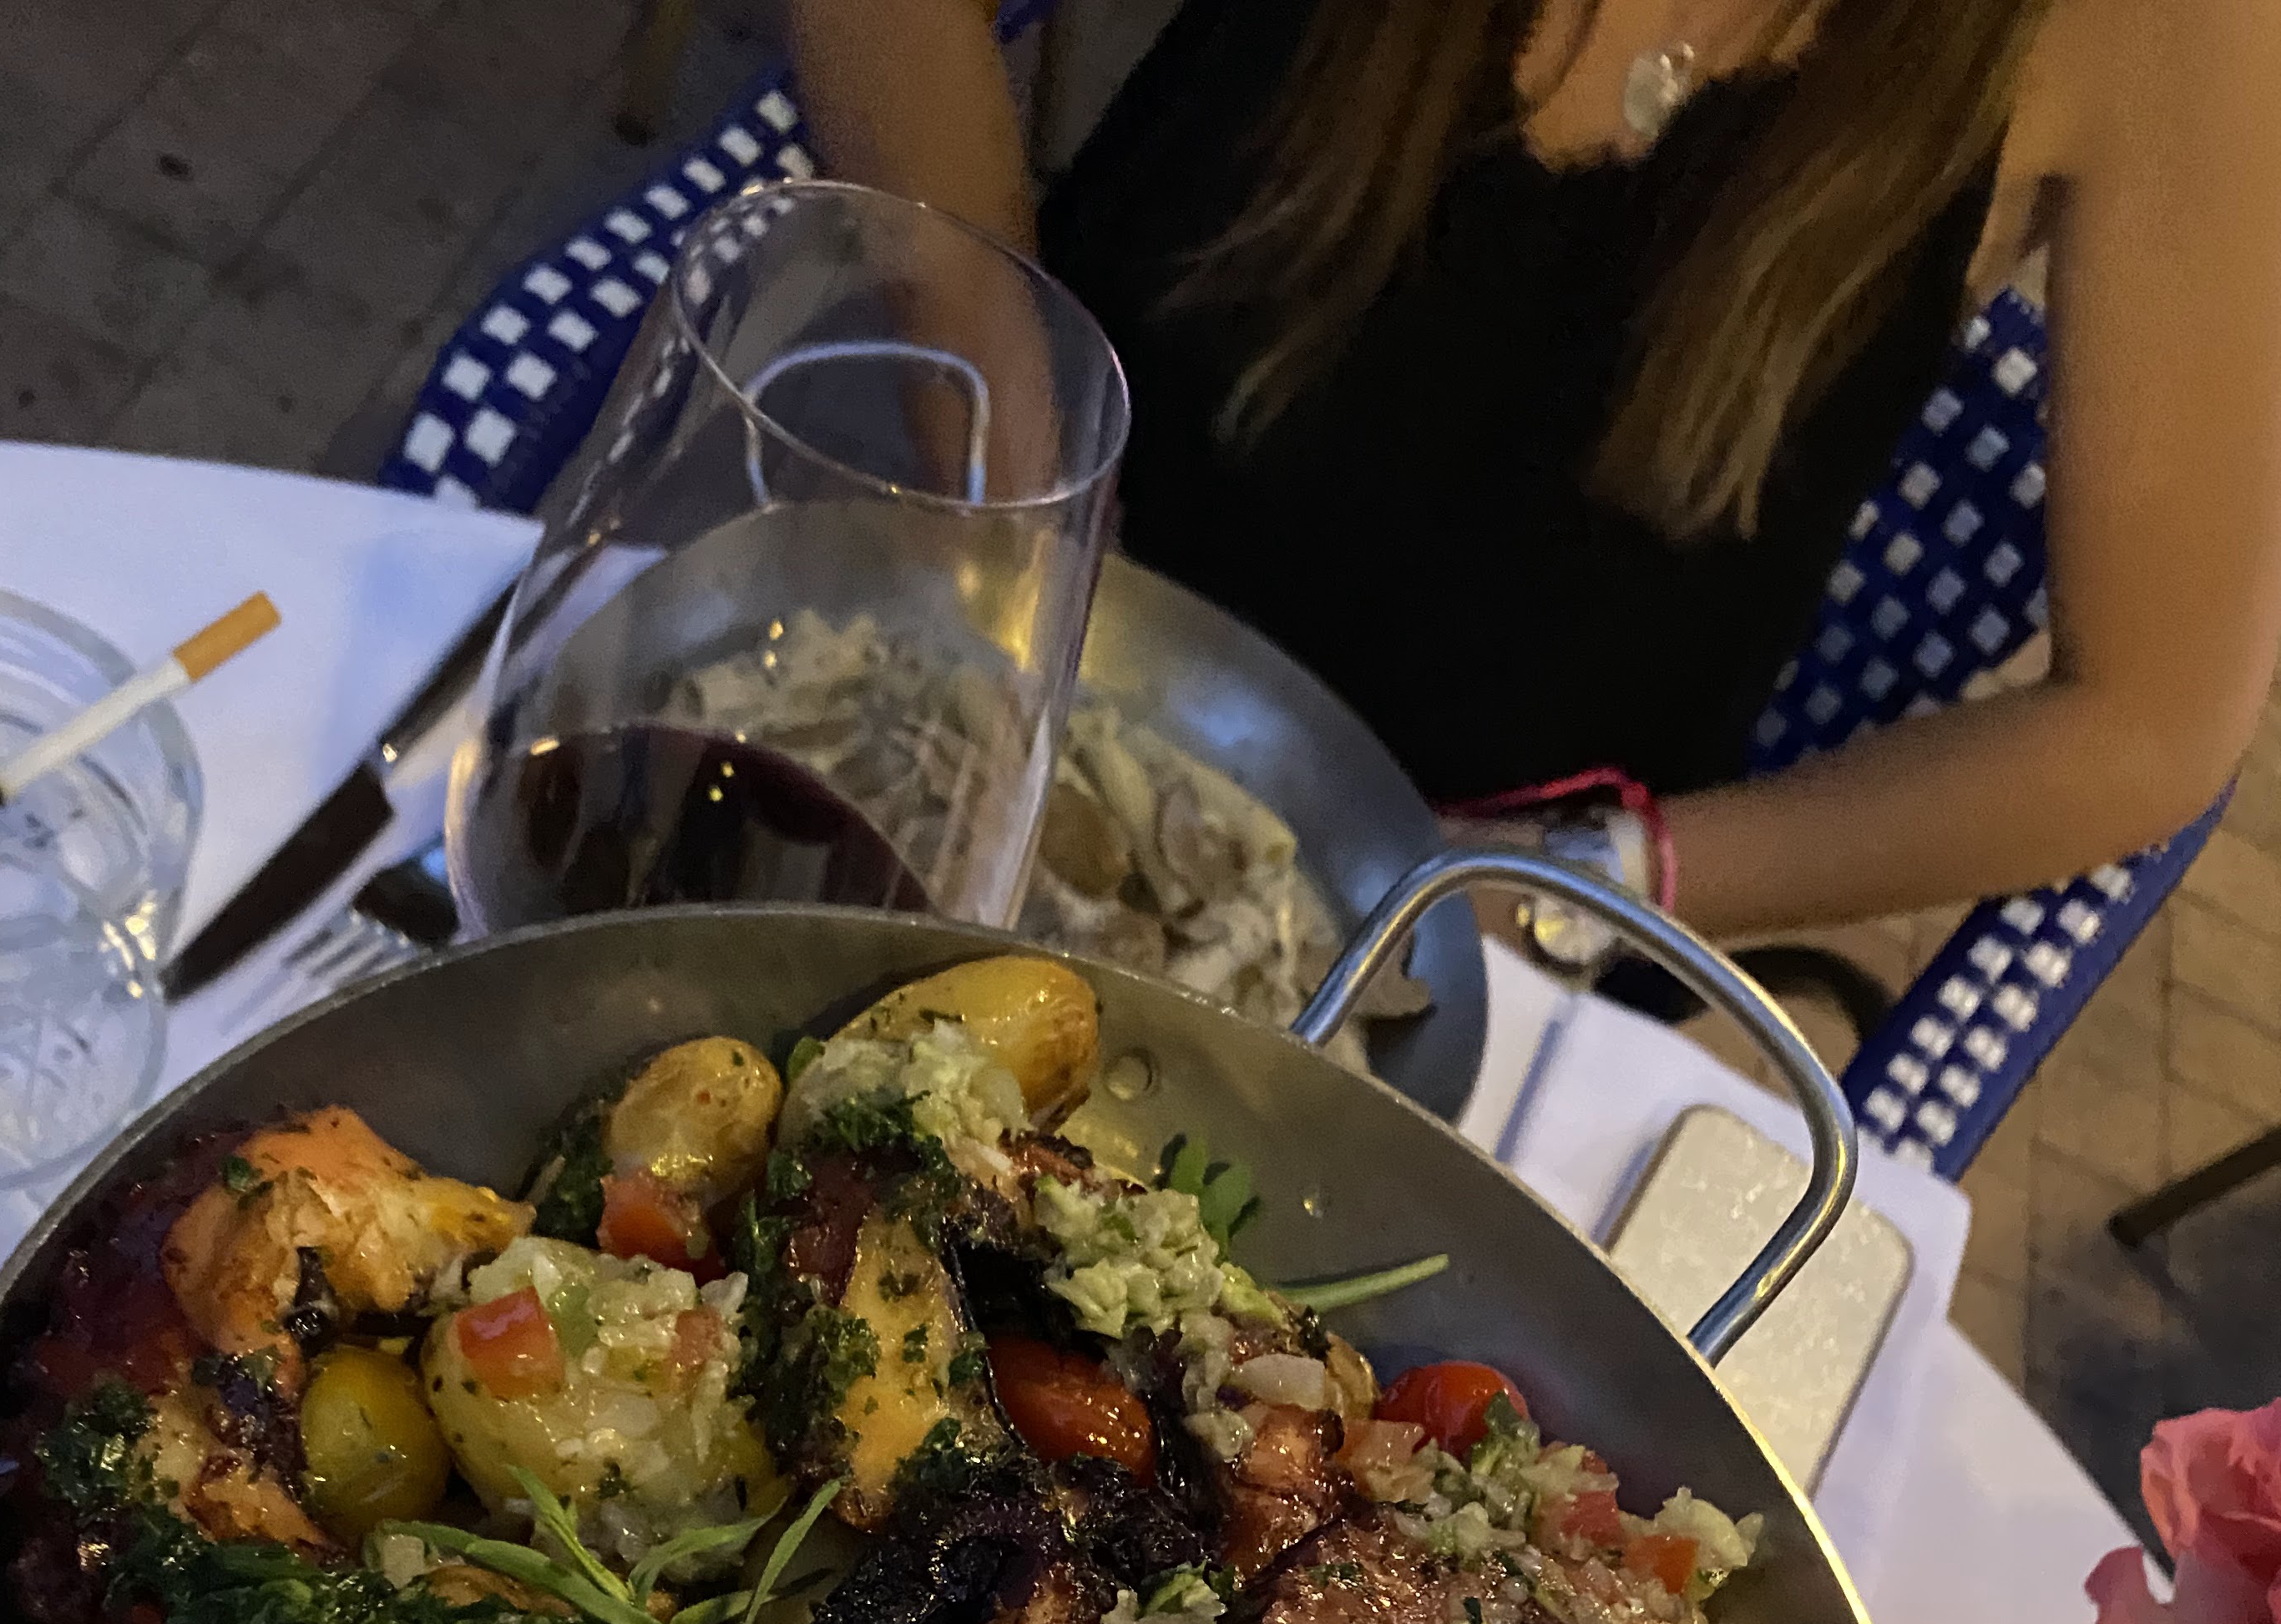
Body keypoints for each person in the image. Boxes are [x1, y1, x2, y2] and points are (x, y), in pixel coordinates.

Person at [786, 0, 2281, 944]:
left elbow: (2150, 723)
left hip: (1458, 933)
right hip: (971, 660)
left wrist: (1577, 885)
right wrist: (991, 375)